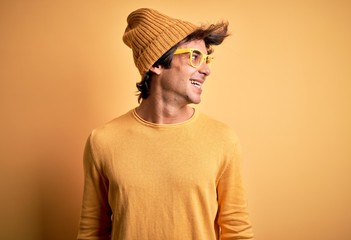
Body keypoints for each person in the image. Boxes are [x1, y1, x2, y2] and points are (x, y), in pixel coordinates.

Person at [77, 8, 254, 240]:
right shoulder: (103, 140)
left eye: (207, 59)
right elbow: (92, 231)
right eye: (194, 57)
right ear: (157, 64)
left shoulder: (222, 139)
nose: (207, 69)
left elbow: (237, 230)